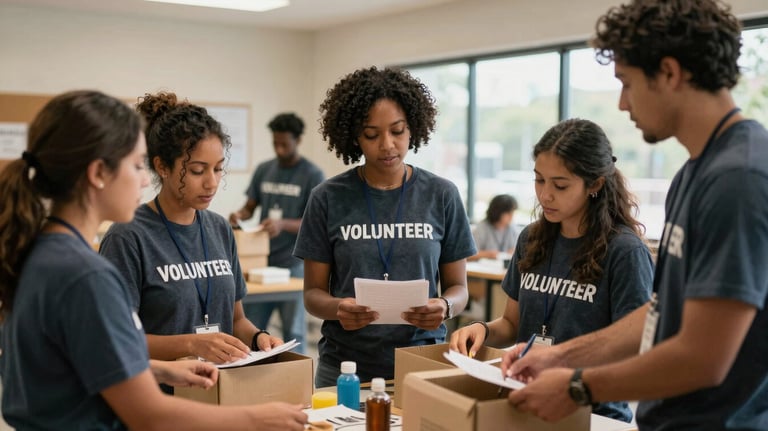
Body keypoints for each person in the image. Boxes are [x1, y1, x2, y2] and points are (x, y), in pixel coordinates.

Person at [501, 1, 768, 429]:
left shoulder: (739, 178)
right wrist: (559, 356)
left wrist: (578, 387)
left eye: (627, 83)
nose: (623, 103)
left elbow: (703, 358)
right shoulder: (694, 172)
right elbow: (657, 315)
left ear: (669, 73)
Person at [0, 90, 307, 430]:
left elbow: (81, 360)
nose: (145, 179)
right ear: (98, 172)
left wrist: (162, 369)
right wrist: (256, 419)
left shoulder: (45, 252)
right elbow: (149, 415)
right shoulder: (86, 274)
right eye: (136, 165)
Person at [450, 118, 653, 422]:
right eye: (539, 180)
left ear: (595, 184)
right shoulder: (531, 239)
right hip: (529, 404)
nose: (545, 195)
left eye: (560, 185)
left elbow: (633, 348)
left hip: (593, 414)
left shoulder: (625, 252)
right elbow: (512, 323)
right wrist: (483, 330)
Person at [294, 66, 477, 387]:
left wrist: (445, 306)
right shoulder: (328, 197)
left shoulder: (441, 194)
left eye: (397, 131)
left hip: (422, 359)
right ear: (354, 136)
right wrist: (338, 308)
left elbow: (458, 289)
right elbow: (312, 295)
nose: (387, 144)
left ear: (413, 128)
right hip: (345, 365)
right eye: (371, 134)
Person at [99, 91, 284, 383]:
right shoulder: (128, 236)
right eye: (197, 171)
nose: (212, 183)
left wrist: (258, 337)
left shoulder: (220, 228)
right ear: (162, 167)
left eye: (218, 169)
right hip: (158, 395)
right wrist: (192, 344)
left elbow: (236, 320)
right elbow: (117, 340)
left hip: (219, 389)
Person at [229, 112, 324, 353]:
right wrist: (239, 215)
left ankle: (296, 372)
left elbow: (316, 222)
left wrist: (283, 225)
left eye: (285, 144)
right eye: (275, 143)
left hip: (294, 263)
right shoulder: (264, 170)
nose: (279, 149)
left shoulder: (312, 175)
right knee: (253, 328)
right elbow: (250, 207)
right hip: (262, 262)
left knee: (294, 331)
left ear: (297, 140)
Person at [469, 194, 519, 261]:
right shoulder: (482, 228)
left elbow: (516, 250)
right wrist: (487, 254)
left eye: (512, 212)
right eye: (508, 213)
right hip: (485, 266)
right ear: (498, 212)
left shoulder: (512, 228)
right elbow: (469, 255)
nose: (511, 216)